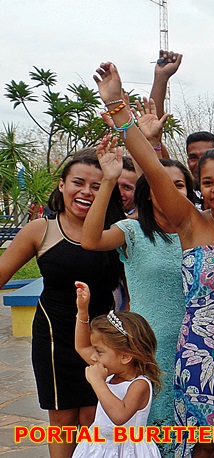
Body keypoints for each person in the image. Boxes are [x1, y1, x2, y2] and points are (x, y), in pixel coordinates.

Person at [94, 58, 214, 458]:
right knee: (203, 449)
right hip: (198, 354)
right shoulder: (190, 222)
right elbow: (152, 168)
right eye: (208, 182)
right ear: (199, 187)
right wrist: (118, 107)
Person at [0, 152, 123, 458]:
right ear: (61, 185)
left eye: (96, 186)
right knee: (62, 420)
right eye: (78, 182)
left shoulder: (117, 231)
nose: (86, 192)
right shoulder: (40, 230)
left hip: (103, 339)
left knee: (95, 418)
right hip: (55, 339)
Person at [81, 135, 195, 458]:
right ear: (147, 192)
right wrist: (108, 179)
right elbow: (90, 240)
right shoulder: (133, 232)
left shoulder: (199, 231)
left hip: (195, 350)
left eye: (179, 184)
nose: (171, 190)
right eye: (162, 183)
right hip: (147, 351)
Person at [73, 281, 161, 458]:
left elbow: (119, 416)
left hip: (128, 451)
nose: (93, 357)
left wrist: (98, 382)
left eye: (99, 351)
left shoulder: (139, 385)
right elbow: (82, 347)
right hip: (99, 448)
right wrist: (82, 311)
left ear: (126, 356)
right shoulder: (109, 370)